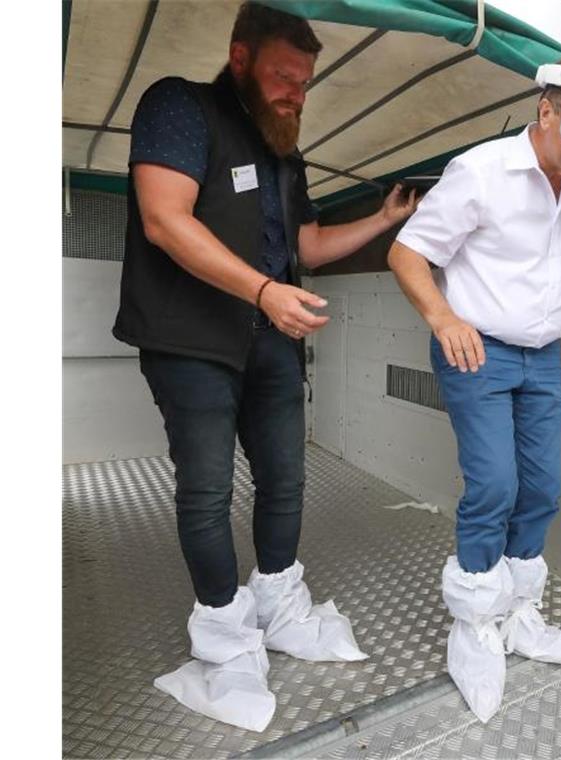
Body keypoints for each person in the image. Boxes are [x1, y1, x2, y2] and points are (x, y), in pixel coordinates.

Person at [113, 2, 418, 732]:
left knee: (286, 476)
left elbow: (305, 248)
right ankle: (223, 636)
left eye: (306, 83)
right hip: (191, 339)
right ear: (241, 57)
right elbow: (164, 217)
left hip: (271, 339)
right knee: (208, 489)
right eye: (285, 76)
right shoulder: (180, 106)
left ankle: (279, 604)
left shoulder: (286, 153)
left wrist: (383, 218)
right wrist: (261, 289)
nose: (296, 95)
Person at [387, 52, 561, 723]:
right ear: (546, 111)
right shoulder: (481, 172)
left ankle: (520, 612)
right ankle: (473, 626)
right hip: (477, 350)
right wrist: (441, 317)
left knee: (543, 489)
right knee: (494, 486)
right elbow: (407, 252)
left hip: (541, 358)